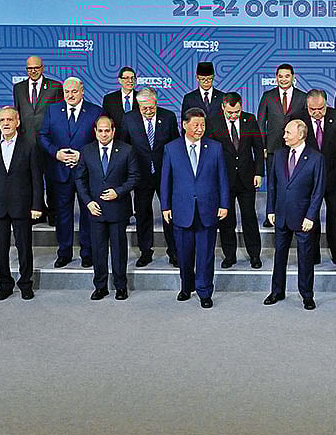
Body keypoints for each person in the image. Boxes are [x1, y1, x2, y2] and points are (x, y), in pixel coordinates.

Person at [161, 108, 230, 309]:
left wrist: (224, 204)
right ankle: (186, 287)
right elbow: (166, 181)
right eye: (195, 125)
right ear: (184, 125)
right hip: (181, 209)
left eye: (202, 125)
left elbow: (222, 179)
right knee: (183, 254)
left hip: (208, 209)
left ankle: (204, 291)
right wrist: (165, 206)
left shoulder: (215, 148)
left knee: (206, 254)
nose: (200, 129)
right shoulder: (171, 148)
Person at [0, 107, 44, 301]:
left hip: (22, 205)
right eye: (2, 120)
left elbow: (36, 179)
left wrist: (37, 205)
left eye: (9, 120)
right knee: (0, 248)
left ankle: (25, 283)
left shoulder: (29, 145)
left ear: (18, 122)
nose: (5, 123)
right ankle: (4, 284)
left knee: (24, 247)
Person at [38, 76, 102, 268]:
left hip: (86, 173)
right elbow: (43, 135)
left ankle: (87, 252)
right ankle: (64, 252)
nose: (70, 95)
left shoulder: (95, 111)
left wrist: (81, 156)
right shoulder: (53, 110)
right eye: (67, 92)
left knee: (86, 214)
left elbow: (101, 140)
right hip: (59, 171)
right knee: (63, 215)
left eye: (74, 91)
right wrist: (56, 153)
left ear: (82, 91)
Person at [75, 116, 140, 301]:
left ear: (113, 131)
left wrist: (118, 192)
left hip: (118, 209)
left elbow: (134, 177)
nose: (103, 134)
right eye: (100, 131)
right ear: (95, 132)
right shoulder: (86, 151)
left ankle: (121, 287)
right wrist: (88, 202)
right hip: (95, 209)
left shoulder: (127, 150)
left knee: (119, 250)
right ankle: (100, 287)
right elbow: (80, 179)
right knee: (98, 250)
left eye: (107, 130)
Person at [263, 120, 325, 310]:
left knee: (305, 258)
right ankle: (277, 291)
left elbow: (318, 190)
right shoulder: (279, 155)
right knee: (279, 255)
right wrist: (270, 210)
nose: (284, 136)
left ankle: (307, 294)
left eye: (288, 133)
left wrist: (311, 216)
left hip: (303, 217)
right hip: (281, 214)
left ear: (301, 135)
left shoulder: (316, 158)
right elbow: (272, 185)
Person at [119, 87, 179, 267]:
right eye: (143, 108)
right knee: (143, 214)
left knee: (169, 213)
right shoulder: (129, 119)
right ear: (138, 105)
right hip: (141, 175)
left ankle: (174, 252)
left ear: (156, 102)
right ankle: (146, 252)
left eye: (150, 107)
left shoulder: (168, 117)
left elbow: (176, 145)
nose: (147, 111)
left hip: (165, 174)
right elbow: (123, 146)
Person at [295, 89, 336, 268]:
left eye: (321, 108)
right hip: (308, 179)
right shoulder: (298, 118)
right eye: (313, 110)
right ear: (307, 106)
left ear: (326, 105)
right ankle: (313, 254)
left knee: (335, 216)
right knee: (312, 217)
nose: (317, 113)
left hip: (333, 176)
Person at [208, 92, 264, 269]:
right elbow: (210, 154)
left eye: (237, 112)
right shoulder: (213, 122)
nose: (234, 115)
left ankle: (254, 255)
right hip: (224, 181)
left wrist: (259, 173)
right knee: (226, 220)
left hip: (247, 179)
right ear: (223, 107)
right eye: (230, 112)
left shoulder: (250, 119)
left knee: (249, 218)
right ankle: (229, 255)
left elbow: (258, 148)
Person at [257, 63, 307, 222]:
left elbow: (306, 124)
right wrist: (262, 146)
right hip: (272, 147)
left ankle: (295, 214)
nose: (283, 79)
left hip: (296, 147)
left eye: (287, 76)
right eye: (280, 76)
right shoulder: (268, 96)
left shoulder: (302, 96)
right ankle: (270, 215)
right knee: (273, 182)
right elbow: (260, 123)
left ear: (293, 77)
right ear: (276, 78)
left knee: (295, 182)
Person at [13, 56, 64, 143]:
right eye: (30, 68)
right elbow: (18, 113)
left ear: (42, 68)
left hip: (49, 140)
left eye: (36, 67)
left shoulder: (55, 87)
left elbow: (60, 116)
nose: (33, 71)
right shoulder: (18, 88)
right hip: (25, 140)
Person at [101, 66, 137, 137]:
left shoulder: (141, 98)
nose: (130, 81)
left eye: (132, 78)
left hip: (137, 140)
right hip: (117, 140)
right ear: (120, 80)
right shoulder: (109, 99)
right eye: (126, 78)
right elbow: (106, 120)